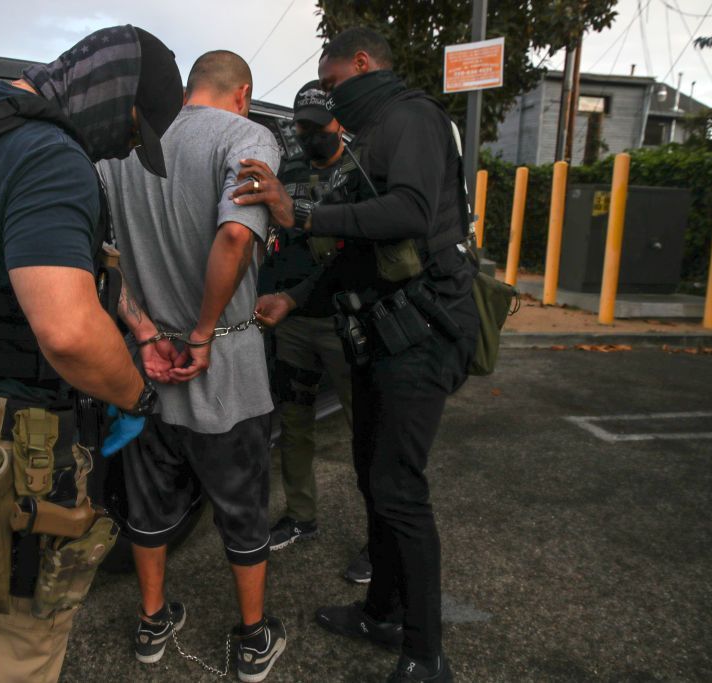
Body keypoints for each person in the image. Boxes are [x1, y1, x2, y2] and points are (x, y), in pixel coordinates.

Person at [0, 26, 183, 682]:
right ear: (113, 95)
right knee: (23, 641)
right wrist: (136, 394)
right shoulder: (47, 156)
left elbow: (18, 255)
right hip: (18, 447)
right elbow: (69, 332)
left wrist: (137, 321)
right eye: (133, 132)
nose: (127, 150)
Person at [243, 28, 479, 683]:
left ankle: (426, 654)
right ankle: (381, 612)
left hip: (421, 333)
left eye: (337, 81)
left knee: (401, 490)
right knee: (375, 476)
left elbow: (407, 211)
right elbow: (351, 250)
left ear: (364, 63)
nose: (335, 99)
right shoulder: (372, 138)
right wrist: (294, 299)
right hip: (378, 333)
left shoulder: (412, 119)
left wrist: (304, 215)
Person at [98, 50, 287, 683]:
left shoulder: (121, 152)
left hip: (146, 365)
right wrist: (203, 334)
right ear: (244, 93)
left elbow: (102, 256)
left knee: (149, 505)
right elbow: (235, 236)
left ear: (188, 91)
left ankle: (153, 620)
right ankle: (254, 637)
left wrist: (143, 328)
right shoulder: (248, 136)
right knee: (242, 506)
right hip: (224, 362)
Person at [256, 81, 361, 567]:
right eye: (302, 127)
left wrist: (292, 299)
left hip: (344, 321)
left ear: (337, 123)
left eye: (317, 127)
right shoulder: (291, 168)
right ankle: (301, 515)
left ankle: (381, 536)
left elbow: (350, 251)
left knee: (370, 432)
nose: (309, 135)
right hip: (293, 324)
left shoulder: (358, 171)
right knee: (295, 423)